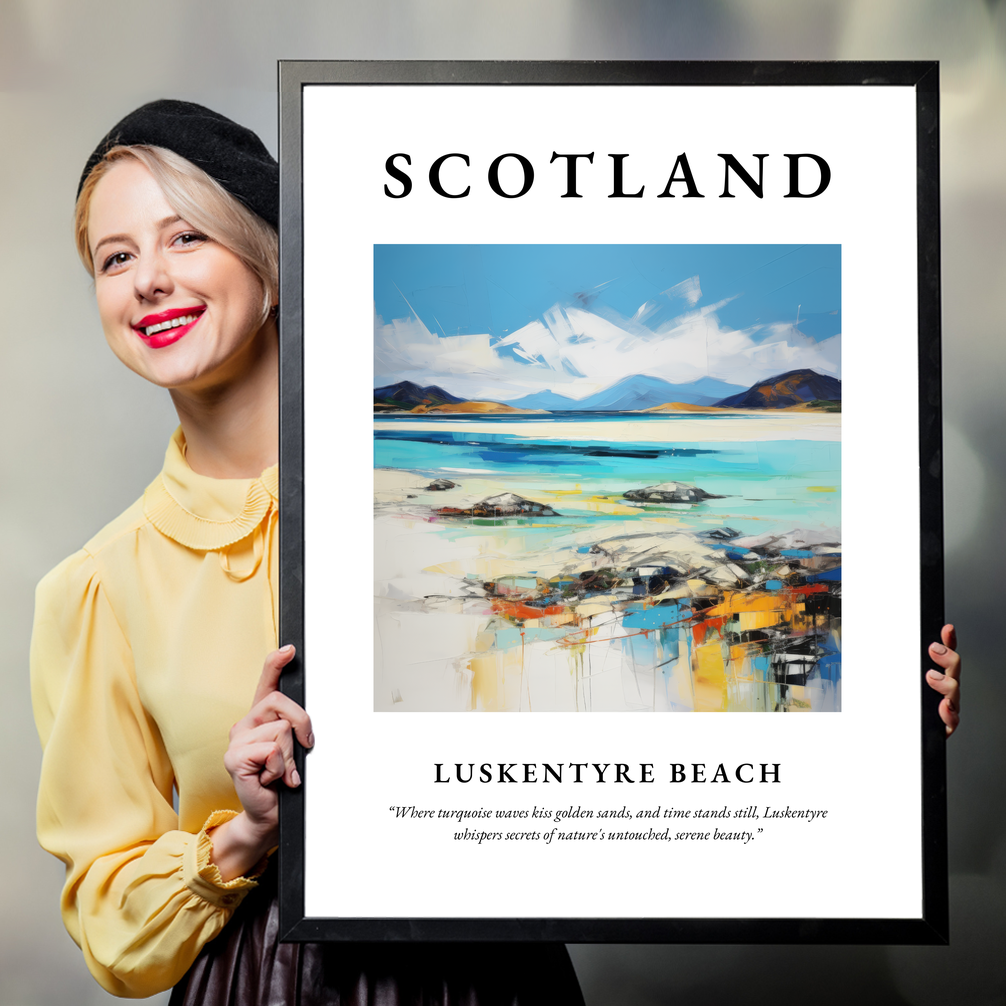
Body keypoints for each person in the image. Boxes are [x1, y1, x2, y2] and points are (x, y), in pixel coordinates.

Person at [30, 100, 585, 1004]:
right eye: (115, 258)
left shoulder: (444, 500)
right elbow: (110, 925)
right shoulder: (97, 587)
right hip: (263, 981)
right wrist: (246, 833)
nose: (149, 281)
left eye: (186, 237)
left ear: (273, 263)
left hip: (490, 972)